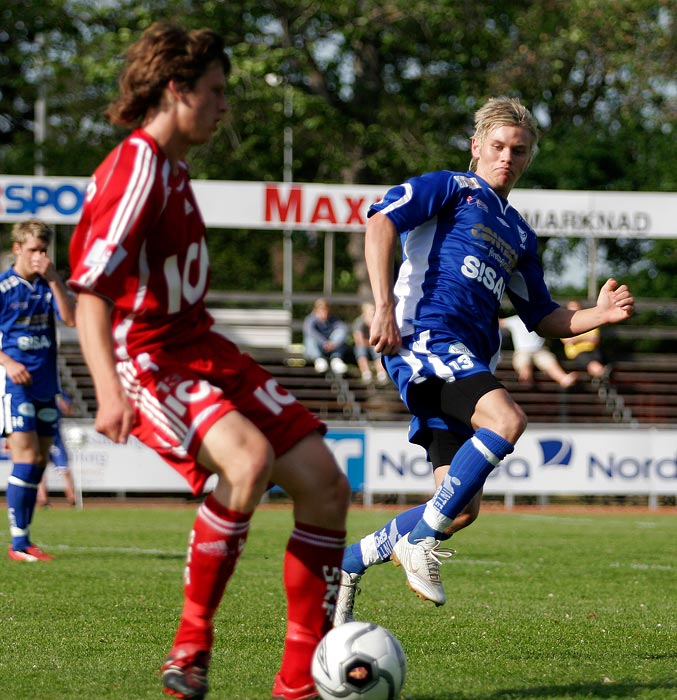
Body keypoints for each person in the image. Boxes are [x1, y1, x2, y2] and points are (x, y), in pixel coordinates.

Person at [67, 23, 349, 700]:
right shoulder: (136, 166)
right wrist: (109, 391)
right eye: (216, 91)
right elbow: (89, 294)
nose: (224, 106)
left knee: (324, 484)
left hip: (203, 347)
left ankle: (297, 686)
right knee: (247, 462)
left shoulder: (171, 168)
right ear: (177, 89)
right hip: (152, 357)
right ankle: (189, 650)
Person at [358, 96, 634, 610]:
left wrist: (599, 315)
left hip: (468, 359)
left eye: (520, 150)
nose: (508, 157)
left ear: (529, 158)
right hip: (426, 338)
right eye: (499, 146)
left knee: (460, 509)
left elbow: (544, 317)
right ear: (477, 146)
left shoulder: (520, 234)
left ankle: (348, 566)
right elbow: (380, 223)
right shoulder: (451, 187)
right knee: (506, 420)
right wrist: (381, 307)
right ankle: (419, 542)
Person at [1, 218, 76, 562]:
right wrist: (8, 362)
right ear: (18, 249)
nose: (39, 256)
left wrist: (55, 278)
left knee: (40, 461)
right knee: (26, 457)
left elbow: (71, 318)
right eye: (33, 250)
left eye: (44, 250)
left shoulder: (48, 285)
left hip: (47, 384)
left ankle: (26, 541)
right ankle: (18, 543)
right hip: (15, 385)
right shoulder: (4, 287)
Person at [500, 314, 578, 388]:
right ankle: (526, 379)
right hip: (523, 351)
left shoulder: (539, 318)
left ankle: (563, 379)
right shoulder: (515, 319)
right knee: (524, 362)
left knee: (549, 361)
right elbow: (499, 322)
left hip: (540, 350)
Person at [37, 392, 77, 508]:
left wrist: (60, 400)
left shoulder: (59, 392)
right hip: (40, 436)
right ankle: (43, 500)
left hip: (55, 439)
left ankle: (72, 499)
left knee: (65, 470)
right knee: (40, 470)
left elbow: (69, 410)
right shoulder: (37, 390)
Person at [561, 300, 610, 381]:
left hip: (593, 350)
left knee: (600, 358)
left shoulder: (589, 321)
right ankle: (603, 375)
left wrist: (577, 339)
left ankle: (601, 378)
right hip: (577, 353)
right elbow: (568, 341)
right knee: (593, 364)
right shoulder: (566, 324)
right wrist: (586, 338)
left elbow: (595, 339)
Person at [303, 298, 349, 375]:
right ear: (316, 310)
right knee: (310, 339)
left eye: (325, 309)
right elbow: (310, 332)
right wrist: (324, 342)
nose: (324, 312)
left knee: (340, 333)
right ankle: (319, 360)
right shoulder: (310, 320)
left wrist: (333, 343)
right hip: (317, 348)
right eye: (321, 309)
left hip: (332, 348)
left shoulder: (334, 319)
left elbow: (344, 329)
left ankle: (336, 359)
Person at [352, 303, 388, 384]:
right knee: (360, 351)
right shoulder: (358, 323)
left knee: (378, 350)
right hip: (364, 344)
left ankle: (381, 373)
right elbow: (358, 340)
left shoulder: (379, 321)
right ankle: (366, 373)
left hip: (374, 344)